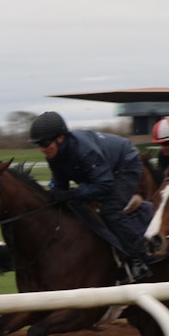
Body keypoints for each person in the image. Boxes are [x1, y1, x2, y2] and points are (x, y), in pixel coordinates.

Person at [29, 111, 151, 283]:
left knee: (110, 210)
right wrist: (53, 194)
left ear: (61, 138)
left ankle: (137, 257)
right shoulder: (53, 155)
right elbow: (58, 185)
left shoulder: (84, 151)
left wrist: (71, 194)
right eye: (38, 144)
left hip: (125, 165)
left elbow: (104, 185)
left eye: (44, 143)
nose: (42, 148)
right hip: (103, 172)